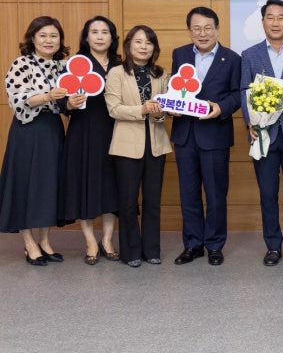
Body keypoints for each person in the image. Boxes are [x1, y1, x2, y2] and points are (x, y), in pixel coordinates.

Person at [241, 0, 283, 266]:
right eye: (270, 17)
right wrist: (250, 121)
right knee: (267, 195)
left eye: (281, 17)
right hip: (263, 135)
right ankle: (272, 246)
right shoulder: (250, 55)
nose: (276, 22)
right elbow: (244, 91)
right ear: (263, 22)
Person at [171, 6, 241, 266]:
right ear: (190, 31)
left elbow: (238, 94)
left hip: (215, 136)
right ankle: (192, 244)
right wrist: (172, 106)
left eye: (208, 28)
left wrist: (221, 108)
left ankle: (214, 245)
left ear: (217, 29)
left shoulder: (231, 59)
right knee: (188, 194)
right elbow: (174, 88)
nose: (203, 33)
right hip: (185, 135)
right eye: (197, 28)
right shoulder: (179, 54)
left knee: (215, 195)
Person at [0, 16, 70, 266]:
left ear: (60, 39)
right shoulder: (21, 64)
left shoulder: (65, 66)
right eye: (43, 35)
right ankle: (29, 243)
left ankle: (45, 241)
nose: (48, 40)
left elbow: (68, 101)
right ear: (32, 38)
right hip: (28, 130)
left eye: (53, 36)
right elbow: (17, 99)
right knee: (25, 184)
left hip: (52, 128)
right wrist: (48, 96)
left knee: (48, 184)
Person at [105, 25, 171, 268]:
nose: (144, 47)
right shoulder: (116, 73)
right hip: (126, 145)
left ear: (154, 48)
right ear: (129, 45)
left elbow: (166, 110)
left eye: (149, 42)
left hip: (156, 144)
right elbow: (114, 109)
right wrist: (142, 109)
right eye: (138, 41)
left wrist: (161, 114)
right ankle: (131, 251)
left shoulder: (161, 74)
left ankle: (151, 249)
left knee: (153, 200)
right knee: (128, 201)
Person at [59, 16, 122, 265]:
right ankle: (90, 242)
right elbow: (60, 100)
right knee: (84, 185)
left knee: (111, 186)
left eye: (105, 32)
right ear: (86, 37)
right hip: (83, 132)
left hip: (115, 132)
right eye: (94, 32)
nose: (99, 36)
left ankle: (107, 240)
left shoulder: (120, 65)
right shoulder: (75, 63)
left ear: (112, 37)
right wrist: (68, 103)